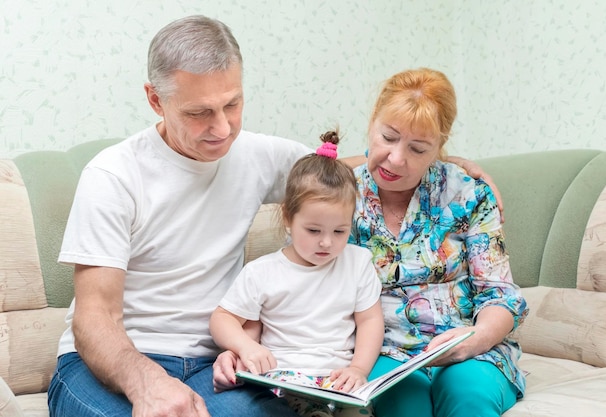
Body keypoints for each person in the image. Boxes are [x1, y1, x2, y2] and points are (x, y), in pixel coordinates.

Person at [47, 12, 502, 417]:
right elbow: (95, 318)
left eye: (232, 104)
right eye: (200, 112)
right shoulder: (112, 175)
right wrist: (148, 384)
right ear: (155, 100)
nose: (222, 128)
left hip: (215, 362)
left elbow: (332, 173)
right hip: (116, 365)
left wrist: (450, 166)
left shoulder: (256, 154)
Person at [349, 67, 529, 417]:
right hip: (379, 353)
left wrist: (473, 341)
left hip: (468, 347)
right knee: (405, 405)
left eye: (418, 149)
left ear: (439, 147)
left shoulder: (468, 194)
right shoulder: (339, 196)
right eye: (388, 137)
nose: (397, 159)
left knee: (469, 396)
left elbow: (499, 294)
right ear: (372, 122)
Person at [210, 131, 384, 417]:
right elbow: (222, 318)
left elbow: (370, 321)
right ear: (288, 217)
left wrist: (358, 369)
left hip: (339, 383)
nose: (326, 242)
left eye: (340, 231)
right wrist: (245, 347)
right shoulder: (263, 272)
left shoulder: (358, 263)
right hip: (283, 382)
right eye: (313, 231)